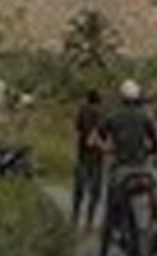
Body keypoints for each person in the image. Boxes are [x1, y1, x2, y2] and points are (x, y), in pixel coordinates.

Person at [95, 79, 157, 256]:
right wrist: (151, 152)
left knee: (111, 201)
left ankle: (111, 233)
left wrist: (106, 148)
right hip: (143, 168)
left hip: (122, 169)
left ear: (121, 98)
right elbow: (156, 142)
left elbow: (95, 138)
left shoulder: (113, 116)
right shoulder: (144, 116)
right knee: (156, 191)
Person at [72, 89, 105, 232]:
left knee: (79, 189)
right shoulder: (102, 114)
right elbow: (105, 133)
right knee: (95, 191)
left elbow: (77, 128)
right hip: (97, 156)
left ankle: (75, 218)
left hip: (83, 154)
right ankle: (89, 222)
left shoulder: (82, 111)